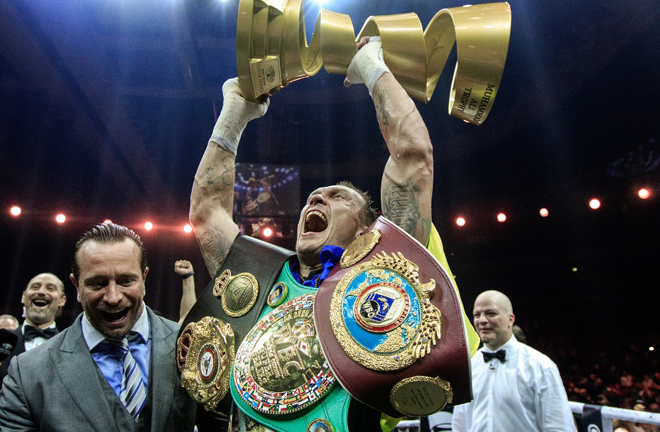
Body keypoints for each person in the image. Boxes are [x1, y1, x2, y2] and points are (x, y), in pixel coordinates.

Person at [187, 37, 479, 432]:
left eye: (336, 197)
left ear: (365, 228)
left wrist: (369, 66)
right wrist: (235, 114)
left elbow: (413, 158)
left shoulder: (389, 271)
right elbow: (208, 213)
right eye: (311, 198)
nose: (316, 199)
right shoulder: (263, 277)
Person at [0, 223, 198, 431]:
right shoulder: (28, 373)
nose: (113, 297)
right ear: (76, 285)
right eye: (98, 283)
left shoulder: (190, 345)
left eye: (126, 281)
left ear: (144, 278)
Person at [452, 290, 577, 432]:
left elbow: (558, 427)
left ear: (510, 319)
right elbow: (459, 425)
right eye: (477, 315)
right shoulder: (468, 367)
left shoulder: (540, 366)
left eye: (490, 313)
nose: (482, 320)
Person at [0, 273, 67, 385]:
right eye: (35, 287)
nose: (41, 292)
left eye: (50, 288)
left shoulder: (71, 345)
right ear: (23, 297)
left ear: (62, 300)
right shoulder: (2, 341)